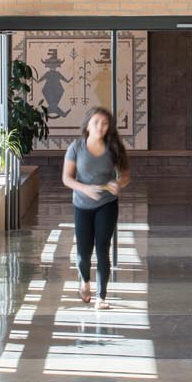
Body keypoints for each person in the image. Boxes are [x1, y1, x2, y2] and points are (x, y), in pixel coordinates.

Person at [62, 106, 130, 310]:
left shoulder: (115, 148)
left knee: (102, 247)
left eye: (105, 123)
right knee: (84, 252)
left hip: (107, 204)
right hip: (82, 205)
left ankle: (101, 295)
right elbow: (66, 178)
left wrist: (118, 184)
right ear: (87, 125)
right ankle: (84, 281)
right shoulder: (76, 147)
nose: (101, 127)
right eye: (96, 123)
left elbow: (125, 176)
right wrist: (85, 188)